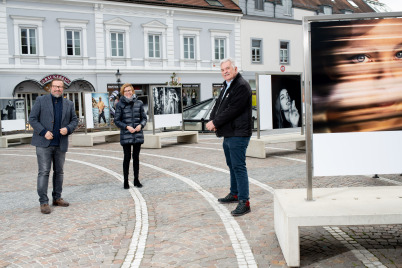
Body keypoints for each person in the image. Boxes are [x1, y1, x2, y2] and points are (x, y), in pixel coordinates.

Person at [311, 18, 402, 133]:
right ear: (329, 67)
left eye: (400, 55)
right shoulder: (316, 129)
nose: (387, 80)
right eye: (361, 58)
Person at [206, 58, 252, 217]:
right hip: (229, 132)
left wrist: (216, 122)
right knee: (232, 164)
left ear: (235, 68)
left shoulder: (241, 86)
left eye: (227, 68)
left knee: (239, 166)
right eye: (222, 69)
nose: (225, 71)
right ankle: (235, 193)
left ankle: (244, 201)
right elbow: (218, 106)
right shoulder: (226, 85)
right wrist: (212, 120)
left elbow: (233, 110)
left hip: (239, 133)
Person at [29, 79, 78, 214]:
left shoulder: (69, 103)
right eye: (56, 86)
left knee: (59, 172)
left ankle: (57, 198)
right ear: (51, 88)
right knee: (44, 172)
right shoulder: (41, 100)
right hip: (43, 143)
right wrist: (44, 132)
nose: (58, 89)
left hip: (60, 143)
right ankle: (43, 202)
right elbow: (32, 119)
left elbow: (75, 120)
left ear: (63, 89)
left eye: (61, 87)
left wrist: (68, 129)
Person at [114, 83, 147, 189]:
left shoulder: (139, 103)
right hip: (126, 134)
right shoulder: (120, 104)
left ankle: (136, 179)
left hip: (137, 134)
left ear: (132, 91)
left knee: (136, 158)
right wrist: (127, 127)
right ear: (123, 93)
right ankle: (125, 181)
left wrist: (140, 125)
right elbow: (117, 121)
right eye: (125, 91)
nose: (128, 92)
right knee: (127, 157)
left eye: (129, 90)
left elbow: (144, 118)